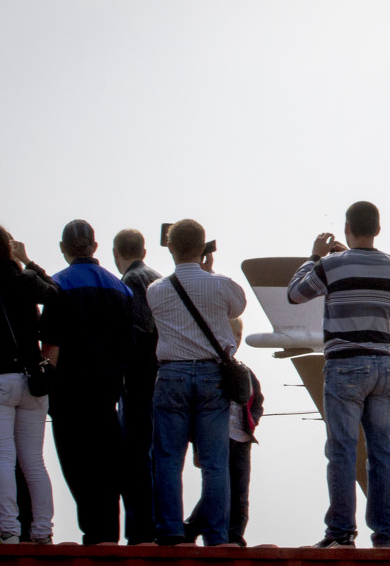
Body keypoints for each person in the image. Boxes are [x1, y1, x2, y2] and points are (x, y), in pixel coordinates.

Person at [288, 201, 390, 548]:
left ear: (347, 228)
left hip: (345, 366)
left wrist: (314, 257)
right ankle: (386, 535)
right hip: (384, 366)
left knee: (342, 450)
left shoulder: (331, 264)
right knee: (382, 451)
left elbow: (295, 294)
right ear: (378, 229)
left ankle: (341, 532)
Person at [146, 219, 246, 546]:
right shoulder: (222, 285)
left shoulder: (156, 290)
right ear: (204, 247)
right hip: (211, 375)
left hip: (172, 374)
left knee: (167, 458)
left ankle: (171, 531)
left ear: (171, 247)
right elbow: (237, 307)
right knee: (215, 462)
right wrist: (210, 271)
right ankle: (216, 535)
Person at [39, 219, 138, 544]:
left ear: (63, 249)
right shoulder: (120, 288)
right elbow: (130, 343)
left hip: (68, 398)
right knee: (107, 470)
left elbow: (51, 345)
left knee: (78, 470)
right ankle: (108, 537)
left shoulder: (57, 285)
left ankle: (93, 537)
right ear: (95, 247)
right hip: (108, 396)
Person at [0, 225, 57, 545]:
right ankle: (42, 531)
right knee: (34, 461)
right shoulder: (24, 280)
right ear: (9, 248)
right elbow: (55, 294)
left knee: (1, 458)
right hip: (32, 381)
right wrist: (27, 261)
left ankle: (10, 531)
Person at [184, 318, 263, 547]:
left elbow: (257, 401)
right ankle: (192, 528)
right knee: (218, 488)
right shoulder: (206, 369)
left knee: (240, 491)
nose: (236, 340)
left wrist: (252, 421)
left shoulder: (246, 372)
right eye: (232, 335)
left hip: (242, 438)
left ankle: (235, 535)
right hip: (217, 436)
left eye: (239, 336)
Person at [112, 228, 161, 544]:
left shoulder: (131, 282)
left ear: (116, 252)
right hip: (158, 380)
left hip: (138, 383)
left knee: (134, 459)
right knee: (154, 458)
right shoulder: (156, 277)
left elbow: (139, 330)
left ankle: (140, 530)